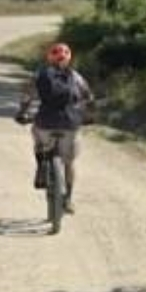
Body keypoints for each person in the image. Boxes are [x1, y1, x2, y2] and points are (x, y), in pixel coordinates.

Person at [17, 41, 96, 213]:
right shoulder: (76, 77)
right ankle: (68, 199)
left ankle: (40, 167)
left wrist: (23, 113)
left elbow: (27, 97)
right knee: (70, 162)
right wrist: (89, 117)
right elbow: (89, 98)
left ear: (49, 58)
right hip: (71, 123)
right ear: (69, 59)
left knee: (37, 136)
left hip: (45, 121)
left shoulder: (40, 75)